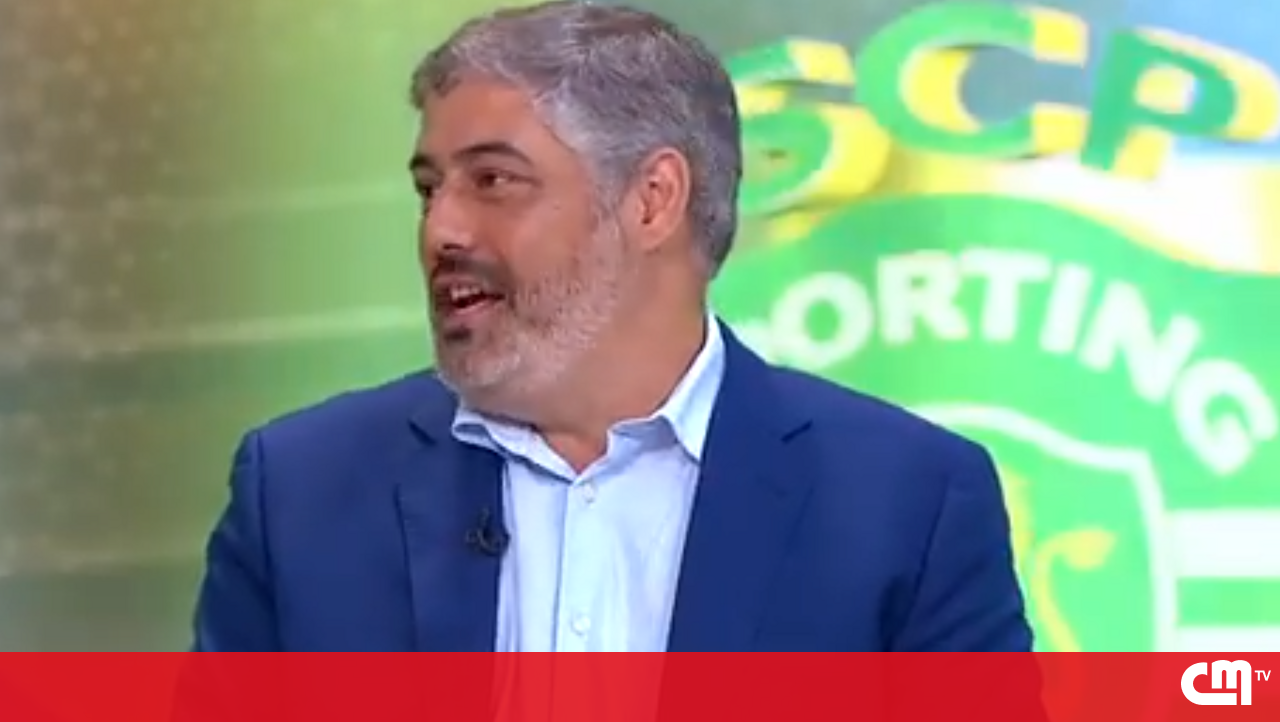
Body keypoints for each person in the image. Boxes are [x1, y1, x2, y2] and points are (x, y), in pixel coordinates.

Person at [190, 0, 1033, 653]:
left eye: (493, 180)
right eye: (428, 189)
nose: (440, 230)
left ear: (652, 200)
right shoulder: (299, 492)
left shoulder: (905, 505)